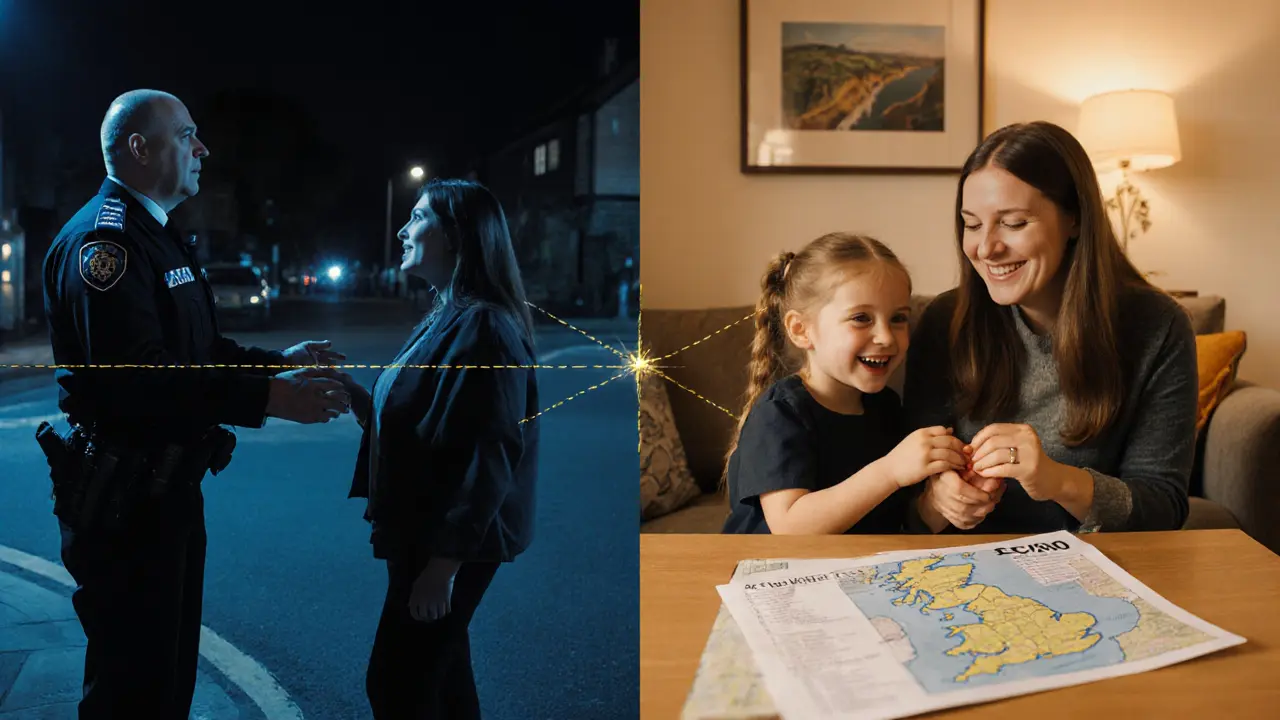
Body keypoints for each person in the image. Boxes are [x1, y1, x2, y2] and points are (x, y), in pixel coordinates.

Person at [39, 88, 352, 719]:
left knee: (168, 679)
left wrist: (276, 364)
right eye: (186, 135)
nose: (202, 148)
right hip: (127, 505)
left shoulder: (156, 235)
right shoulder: (109, 247)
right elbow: (140, 383)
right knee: (134, 690)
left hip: (165, 493)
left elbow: (198, 350)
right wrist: (266, 397)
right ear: (139, 148)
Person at [903, 120, 1198, 534]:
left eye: (1014, 223)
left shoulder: (1157, 327)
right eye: (972, 224)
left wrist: (1056, 480)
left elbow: (1163, 507)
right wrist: (938, 498)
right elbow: (905, 491)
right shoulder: (944, 321)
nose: (986, 247)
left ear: (1074, 219)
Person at [335, 178, 539, 718]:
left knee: (397, 685)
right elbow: (433, 424)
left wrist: (442, 568)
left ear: (455, 237)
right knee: (442, 683)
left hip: (449, 541)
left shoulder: (486, 328)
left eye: (417, 216)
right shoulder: (448, 314)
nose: (403, 229)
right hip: (423, 531)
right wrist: (362, 401)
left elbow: (489, 451)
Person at [719, 232, 969, 535]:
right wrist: (890, 470)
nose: (887, 337)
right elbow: (790, 528)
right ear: (801, 330)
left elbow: (902, 521)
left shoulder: (886, 407)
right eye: (861, 318)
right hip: (772, 575)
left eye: (898, 318)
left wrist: (944, 504)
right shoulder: (781, 413)